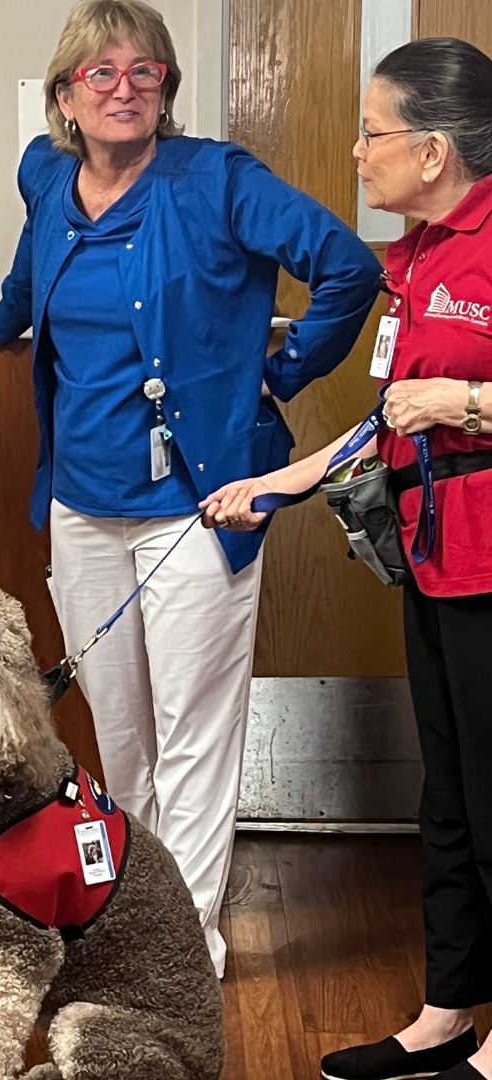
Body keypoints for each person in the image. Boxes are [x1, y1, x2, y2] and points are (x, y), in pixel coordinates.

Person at [0, 0, 381, 979]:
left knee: (194, 728)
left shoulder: (216, 179)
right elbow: (34, 260)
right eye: (100, 72)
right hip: (82, 502)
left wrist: (281, 376)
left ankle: (184, 940)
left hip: (200, 505)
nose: (124, 89)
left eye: (146, 71)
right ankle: (135, 910)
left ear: (167, 89)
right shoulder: (47, 176)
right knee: (119, 729)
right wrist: (1, 318)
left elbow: (348, 268)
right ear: (65, 94)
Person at [201, 37, 492, 1080]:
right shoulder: (415, 257)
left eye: (372, 132)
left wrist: (465, 402)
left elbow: (441, 402)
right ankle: (448, 1011)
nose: (356, 150)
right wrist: (279, 481)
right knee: (450, 795)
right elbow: (386, 413)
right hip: (434, 556)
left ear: (434, 147)